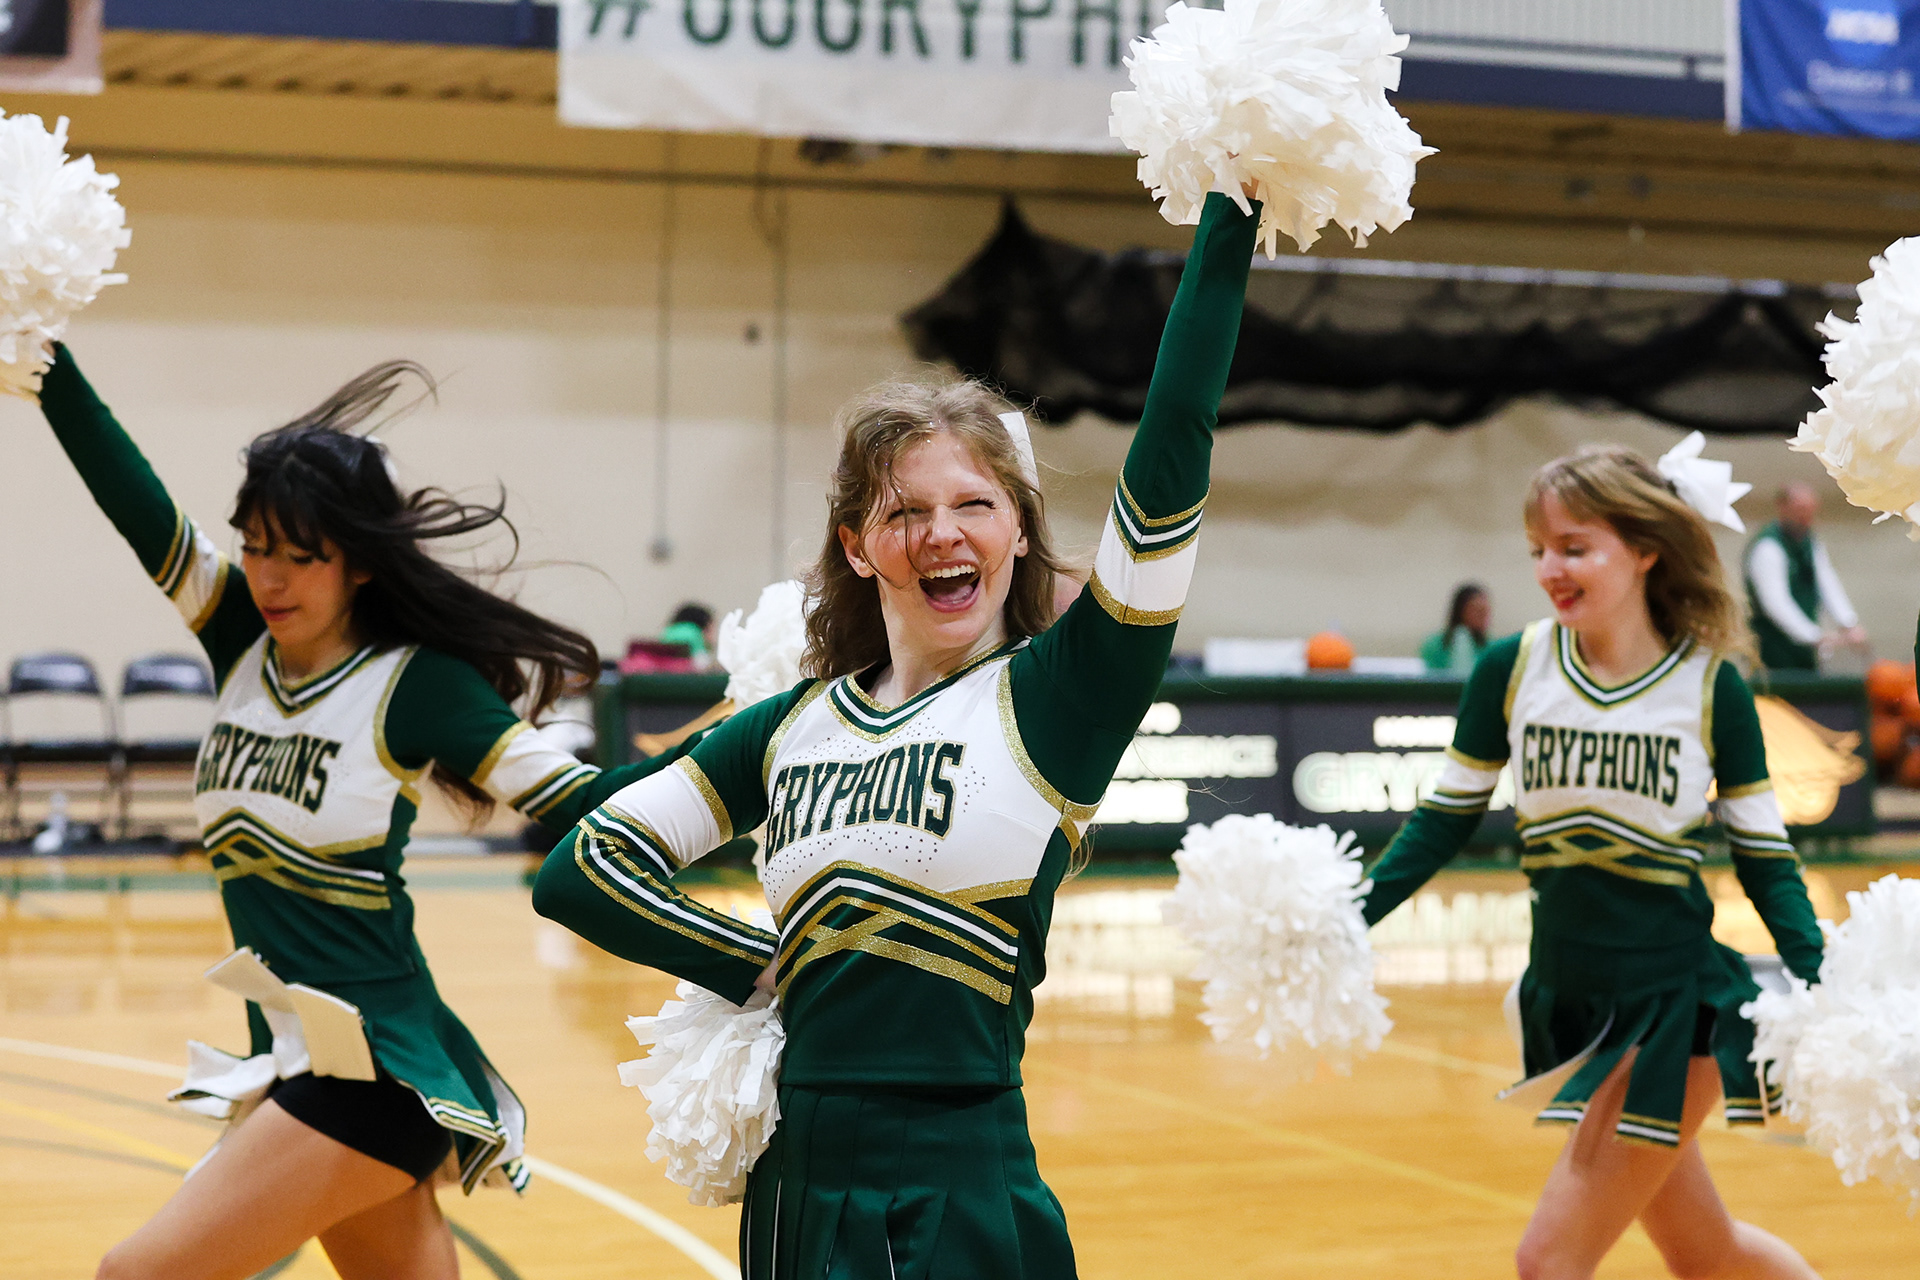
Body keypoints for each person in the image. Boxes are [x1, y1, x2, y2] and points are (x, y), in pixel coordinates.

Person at [530, 191, 1258, 1276]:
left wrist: (1229, 220)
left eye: (973, 503)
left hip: (968, 1172)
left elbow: (1170, 456)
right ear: (859, 544)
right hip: (796, 1184)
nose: (941, 532)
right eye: (903, 510)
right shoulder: (788, 726)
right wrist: (757, 964)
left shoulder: (1058, 701)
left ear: (1017, 529)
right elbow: (582, 869)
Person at [34, 344, 694, 1280]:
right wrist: (42, 353)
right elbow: (130, 494)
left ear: (363, 566)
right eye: (257, 547)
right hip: (299, 1062)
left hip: (376, 1073)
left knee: (134, 1276)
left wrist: (751, 764)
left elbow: (584, 801)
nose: (270, 578)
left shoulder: (417, 687)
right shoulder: (237, 639)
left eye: (303, 556)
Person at [1359, 445, 1824, 1280]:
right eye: (1539, 549)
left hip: (1673, 1013)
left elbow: (1766, 860)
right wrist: (1344, 915)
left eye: (1575, 547)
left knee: (1547, 1261)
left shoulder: (1711, 686)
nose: (1550, 568)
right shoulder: (1513, 667)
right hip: (1572, 1006)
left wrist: (1824, 979)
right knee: (1707, 1253)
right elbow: (1444, 818)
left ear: (1644, 549)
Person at [1744, 482, 1864, 672]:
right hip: (1774, 650)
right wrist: (1813, 636)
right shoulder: (1767, 548)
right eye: (1800, 509)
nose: (1806, 517)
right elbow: (1775, 603)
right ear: (1782, 507)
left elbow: (1827, 583)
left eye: (1810, 510)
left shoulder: (1809, 542)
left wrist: (1848, 623)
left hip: (1805, 651)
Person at [1420, 581, 1492, 674]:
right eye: (1477, 611)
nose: (1482, 617)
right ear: (1460, 611)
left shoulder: (1491, 647)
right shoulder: (1434, 645)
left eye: (1485, 612)